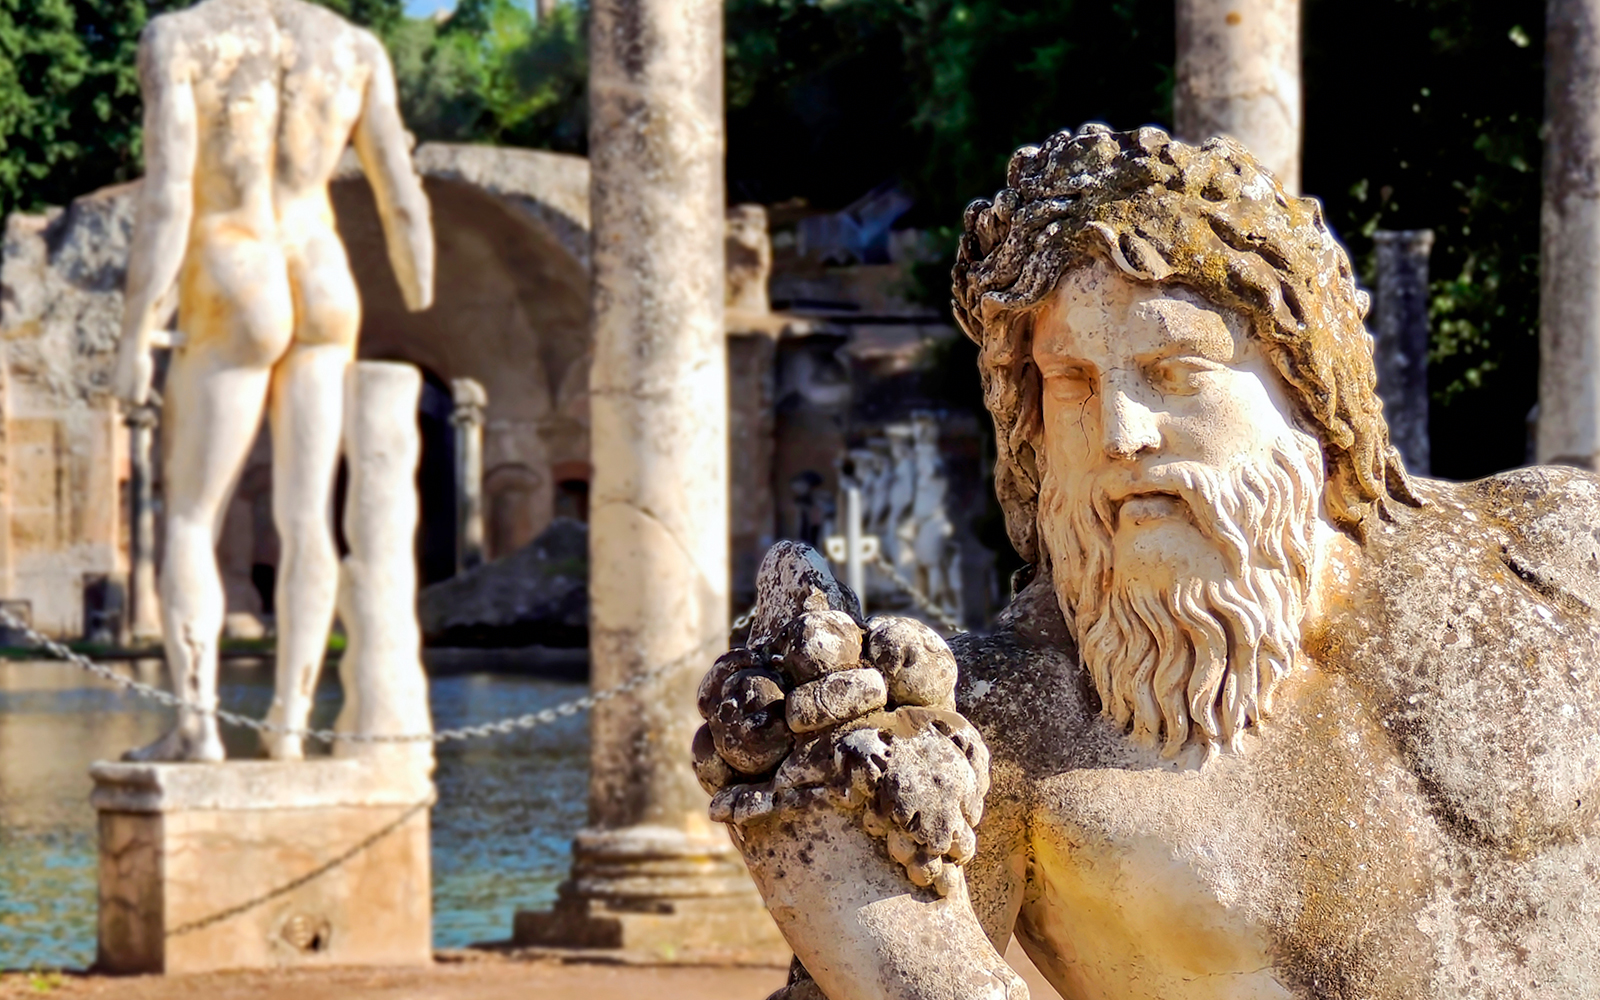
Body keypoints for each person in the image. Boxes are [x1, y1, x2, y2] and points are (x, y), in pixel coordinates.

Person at [701, 125, 1600, 998]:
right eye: (1073, 384)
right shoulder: (993, 730)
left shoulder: (1551, 548)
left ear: (1308, 383)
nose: (1121, 434)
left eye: (1174, 371)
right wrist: (854, 899)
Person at [111, 0, 434, 762]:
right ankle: (289, 724)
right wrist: (419, 279)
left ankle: (197, 729)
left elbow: (168, 197)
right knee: (307, 517)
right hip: (321, 271)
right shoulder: (353, 48)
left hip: (234, 266)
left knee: (192, 516)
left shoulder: (182, 38)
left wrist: (135, 332)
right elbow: (401, 193)